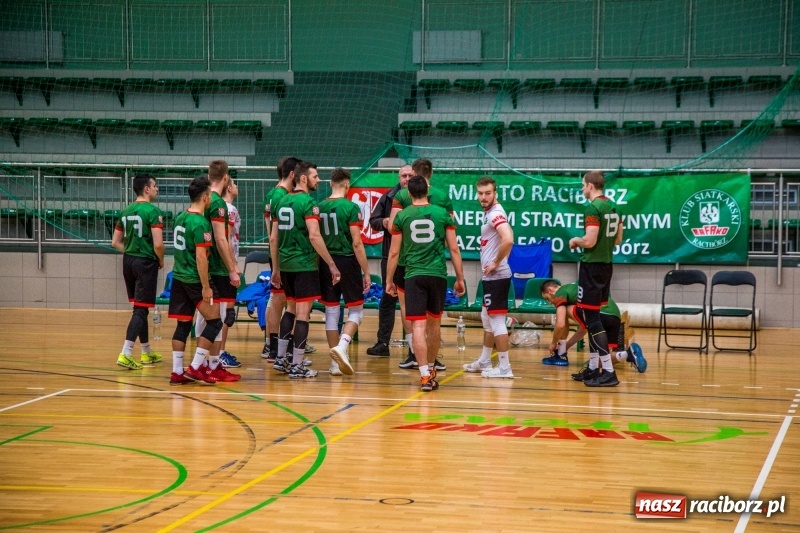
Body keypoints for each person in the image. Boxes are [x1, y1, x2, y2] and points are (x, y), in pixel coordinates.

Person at [386, 176, 465, 392]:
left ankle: (423, 376)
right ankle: (431, 368)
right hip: (437, 275)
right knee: (434, 325)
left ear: (409, 193)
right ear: (427, 192)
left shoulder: (402, 216)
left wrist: (389, 280)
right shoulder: (442, 214)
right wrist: (460, 278)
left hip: (413, 276)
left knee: (418, 326)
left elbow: (394, 253)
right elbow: (454, 249)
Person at [270, 161, 341, 378]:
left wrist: (276, 268)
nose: (318, 180)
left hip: (286, 264)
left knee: (290, 310)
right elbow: (314, 235)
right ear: (303, 178)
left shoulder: (280, 201)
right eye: (315, 176)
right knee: (303, 314)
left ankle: (281, 359)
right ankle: (297, 366)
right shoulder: (309, 203)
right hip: (304, 264)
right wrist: (330, 263)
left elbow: (273, 238)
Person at [167, 175, 234, 385]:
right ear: (205, 197)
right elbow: (201, 258)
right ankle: (196, 367)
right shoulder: (201, 223)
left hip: (178, 277)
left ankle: (177, 371)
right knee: (215, 322)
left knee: (183, 325)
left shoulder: (180, 217)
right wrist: (206, 286)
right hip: (194, 280)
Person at [388, 158, 451, 371]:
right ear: (431, 173)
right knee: (433, 320)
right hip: (434, 263)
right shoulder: (442, 197)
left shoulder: (401, 195)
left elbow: (392, 228)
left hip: (407, 261)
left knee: (411, 314)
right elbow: (450, 233)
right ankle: (431, 361)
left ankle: (415, 355)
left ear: (413, 173)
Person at [568, 170, 623, 387]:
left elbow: (589, 241)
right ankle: (592, 368)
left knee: (592, 319)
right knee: (592, 315)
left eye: (583, 185)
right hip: (606, 266)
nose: (582, 189)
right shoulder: (614, 207)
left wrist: (575, 240)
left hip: (592, 267)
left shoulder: (593, 207)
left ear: (591, 185)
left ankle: (608, 371)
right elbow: (618, 240)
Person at [317, 168, 371, 376]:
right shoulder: (350, 207)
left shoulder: (319, 207)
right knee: (356, 310)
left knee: (331, 311)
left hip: (326, 261)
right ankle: (342, 346)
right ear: (347, 185)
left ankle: (334, 364)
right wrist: (366, 271)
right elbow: (357, 243)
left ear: (331, 183)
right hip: (347, 261)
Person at [462, 177, 515, 378]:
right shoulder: (490, 213)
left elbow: (508, 239)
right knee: (487, 317)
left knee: (497, 321)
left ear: (496, 193)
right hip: (492, 277)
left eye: (488, 193)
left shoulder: (495, 214)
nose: (483, 197)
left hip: (497, 276)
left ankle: (504, 368)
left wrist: (496, 262)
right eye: (480, 193)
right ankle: (484, 361)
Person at [193, 160, 241, 382]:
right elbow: (221, 239)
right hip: (217, 267)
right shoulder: (217, 203)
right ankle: (204, 364)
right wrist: (232, 268)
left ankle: (210, 363)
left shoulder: (203, 200)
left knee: (210, 316)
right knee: (215, 316)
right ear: (225, 178)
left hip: (205, 265)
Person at [111, 173, 165, 370]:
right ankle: (125, 353)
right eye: (155, 185)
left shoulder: (125, 211)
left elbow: (115, 242)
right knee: (141, 310)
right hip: (145, 264)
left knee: (140, 308)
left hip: (128, 261)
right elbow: (158, 244)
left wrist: (132, 251)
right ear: (146, 189)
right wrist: (160, 259)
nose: (157, 189)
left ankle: (146, 352)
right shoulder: (152, 211)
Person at [540, 279, 646, 374]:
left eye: (547, 298)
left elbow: (561, 324)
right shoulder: (574, 288)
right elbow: (584, 328)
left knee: (562, 311)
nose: (550, 302)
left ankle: (561, 355)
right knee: (602, 361)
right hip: (615, 316)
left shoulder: (560, 292)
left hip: (599, 313)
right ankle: (628, 354)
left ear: (550, 290)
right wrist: (568, 345)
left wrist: (553, 343)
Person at [366, 164, 414, 357]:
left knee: (412, 302)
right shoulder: (388, 197)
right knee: (388, 299)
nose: (407, 179)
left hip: (412, 257)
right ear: (399, 177)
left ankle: (414, 348)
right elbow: (373, 221)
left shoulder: (421, 198)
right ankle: (382, 343)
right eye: (404, 175)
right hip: (390, 256)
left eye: (411, 175)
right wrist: (384, 222)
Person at [217, 179, 241, 368]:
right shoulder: (230, 209)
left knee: (223, 311)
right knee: (227, 312)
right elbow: (227, 238)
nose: (237, 187)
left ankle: (218, 352)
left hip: (223, 265)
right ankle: (220, 353)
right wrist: (233, 265)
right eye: (235, 183)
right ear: (229, 188)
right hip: (226, 265)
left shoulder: (222, 207)